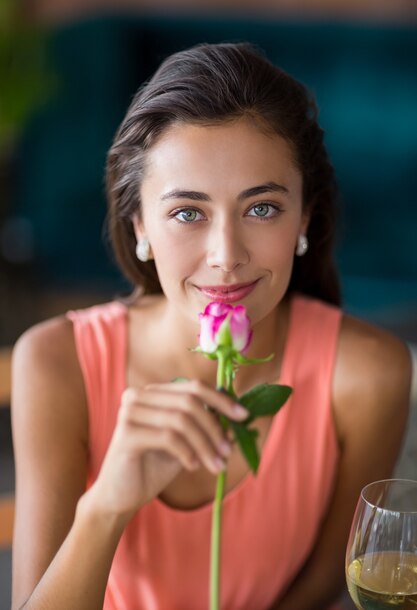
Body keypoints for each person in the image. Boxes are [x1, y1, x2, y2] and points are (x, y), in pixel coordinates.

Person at [11, 42, 411, 610]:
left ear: (306, 218)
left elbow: (323, 587)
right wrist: (106, 507)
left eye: (262, 208)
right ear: (139, 226)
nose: (226, 255)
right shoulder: (55, 364)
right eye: (187, 212)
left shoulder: (368, 374)